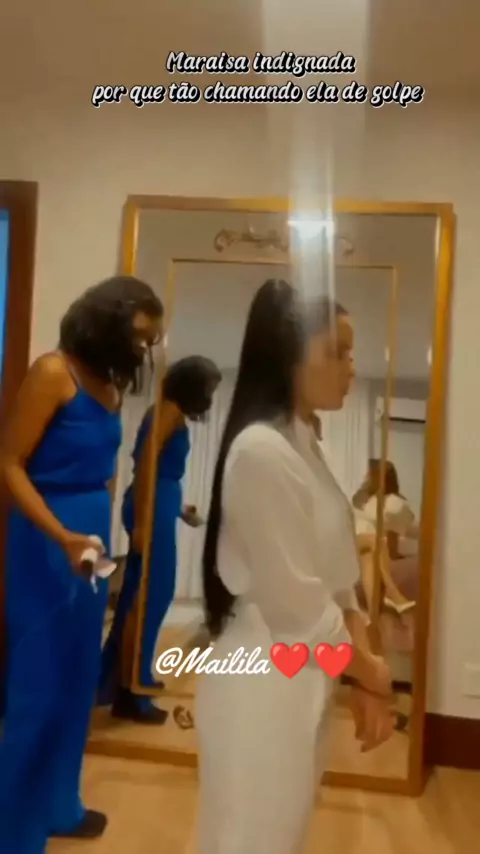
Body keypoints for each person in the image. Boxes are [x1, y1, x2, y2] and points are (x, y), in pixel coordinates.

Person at [196, 280, 395, 854]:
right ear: (289, 357)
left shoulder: (304, 443)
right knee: (246, 840)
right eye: (337, 352)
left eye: (351, 353)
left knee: (278, 835)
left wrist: (363, 670)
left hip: (303, 677)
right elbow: (298, 605)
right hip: (261, 684)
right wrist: (369, 673)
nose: (350, 367)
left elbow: (339, 576)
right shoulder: (260, 452)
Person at [0, 275, 164, 854]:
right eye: (140, 337)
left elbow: (101, 467)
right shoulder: (53, 372)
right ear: (107, 322)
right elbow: (9, 462)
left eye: (150, 341)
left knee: (75, 682)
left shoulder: (110, 384)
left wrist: (99, 534)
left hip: (91, 546)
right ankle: (13, 831)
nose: (144, 349)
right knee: (38, 687)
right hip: (47, 543)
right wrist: (63, 535)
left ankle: (58, 805)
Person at [99, 355, 222, 724]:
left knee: (139, 597)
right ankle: (132, 691)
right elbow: (147, 464)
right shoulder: (168, 411)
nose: (210, 394)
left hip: (158, 506)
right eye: (209, 387)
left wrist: (179, 509)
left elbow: (158, 470)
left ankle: (119, 682)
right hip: (150, 510)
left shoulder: (167, 410)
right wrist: (143, 522)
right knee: (151, 597)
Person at [353, 459, 418, 613]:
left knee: (368, 559)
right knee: (375, 542)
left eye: (370, 475)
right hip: (352, 540)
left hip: (362, 544)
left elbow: (394, 533)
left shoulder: (393, 503)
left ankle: (373, 614)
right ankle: (392, 592)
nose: (366, 479)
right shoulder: (364, 499)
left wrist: (394, 551)